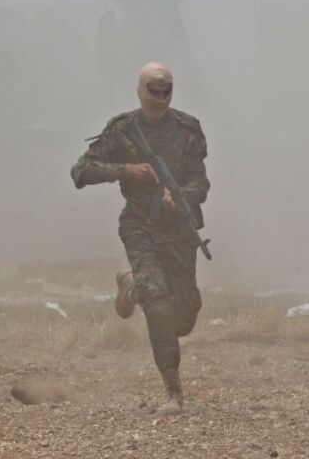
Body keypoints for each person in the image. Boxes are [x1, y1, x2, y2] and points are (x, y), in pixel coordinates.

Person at [72, 62, 209, 415]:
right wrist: (125, 170)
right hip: (140, 227)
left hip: (179, 230)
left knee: (184, 317)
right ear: (140, 90)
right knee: (158, 301)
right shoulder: (122, 130)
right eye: (154, 89)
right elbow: (81, 170)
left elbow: (200, 181)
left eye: (167, 90)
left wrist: (183, 197)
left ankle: (130, 285)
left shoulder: (188, 129)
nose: (161, 97)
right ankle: (173, 391)